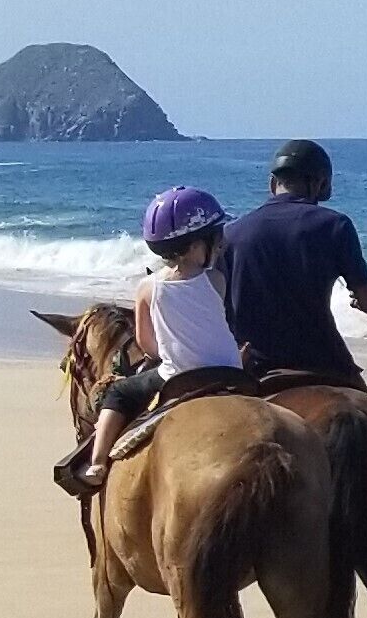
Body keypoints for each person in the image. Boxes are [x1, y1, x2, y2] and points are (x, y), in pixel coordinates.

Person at [68, 186, 244, 494]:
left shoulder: (147, 288)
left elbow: (145, 342)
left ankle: (97, 462)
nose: (220, 246)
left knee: (118, 394)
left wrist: (166, 352)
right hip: (231, 371)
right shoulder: (216, 280)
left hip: (178, 375)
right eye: (215, 239)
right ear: (195, 246)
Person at [217, 139, 367, 385]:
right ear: (320, 184)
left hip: (252, 366)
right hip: (323, 363)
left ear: (272, 183)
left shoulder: (231, 233)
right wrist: (364, 300)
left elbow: (219, 305)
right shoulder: (336, 225)